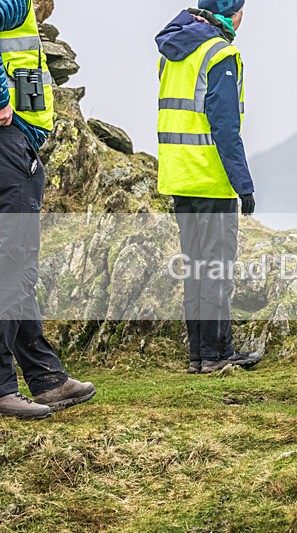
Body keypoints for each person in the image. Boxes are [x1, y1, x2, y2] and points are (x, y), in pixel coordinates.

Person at [0, 0, 96, 420]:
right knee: (12, 262)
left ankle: (46, 378)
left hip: (15, 143)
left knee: (15, 264)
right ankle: (3, 388)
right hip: (8, 142)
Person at [156, 0, 262, 374]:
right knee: (216, 268)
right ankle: (217, 354)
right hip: (210, 178)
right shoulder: (221, 53)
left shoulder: (173, 51)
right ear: (232, 13)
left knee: (196, 268)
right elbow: (225, 127)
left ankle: (199, 355)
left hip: (178, 175)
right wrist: (243, 184)